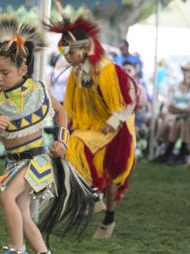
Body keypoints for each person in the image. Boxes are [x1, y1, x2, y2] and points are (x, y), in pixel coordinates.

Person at [0, 15, 94, 254]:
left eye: (4, 72)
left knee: (4, 195)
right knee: (21, 212)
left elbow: (62, 113)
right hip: (14, 162)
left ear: (23, 69)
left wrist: (61, 141)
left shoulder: (39, 89)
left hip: (37, 159)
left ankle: (18, 251)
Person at [47, 13, 139, 239]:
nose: (66, 57)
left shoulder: (106, 69)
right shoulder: (78, 72)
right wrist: (65, 125)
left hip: (117, 128)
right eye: (63, 52)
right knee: (69, 146)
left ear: (84, 48)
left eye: (69, 51)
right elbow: (71, 105)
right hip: (91, 127)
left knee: (109, 174)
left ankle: (104, 213)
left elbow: (129, 99)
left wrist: (114, 120)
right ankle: (94, 201)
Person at [154, 63, 190, 165]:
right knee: (172, 121)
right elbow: (169, 104)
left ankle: (167, 150)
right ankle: (173, 153)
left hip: (183, 115)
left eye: (188, 70)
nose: (186, 72)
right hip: (179, 114)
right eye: (184, 70)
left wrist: (175, 110)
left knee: (180, 122)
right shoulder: (176, 85)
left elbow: (189, 108)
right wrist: (170, 109)